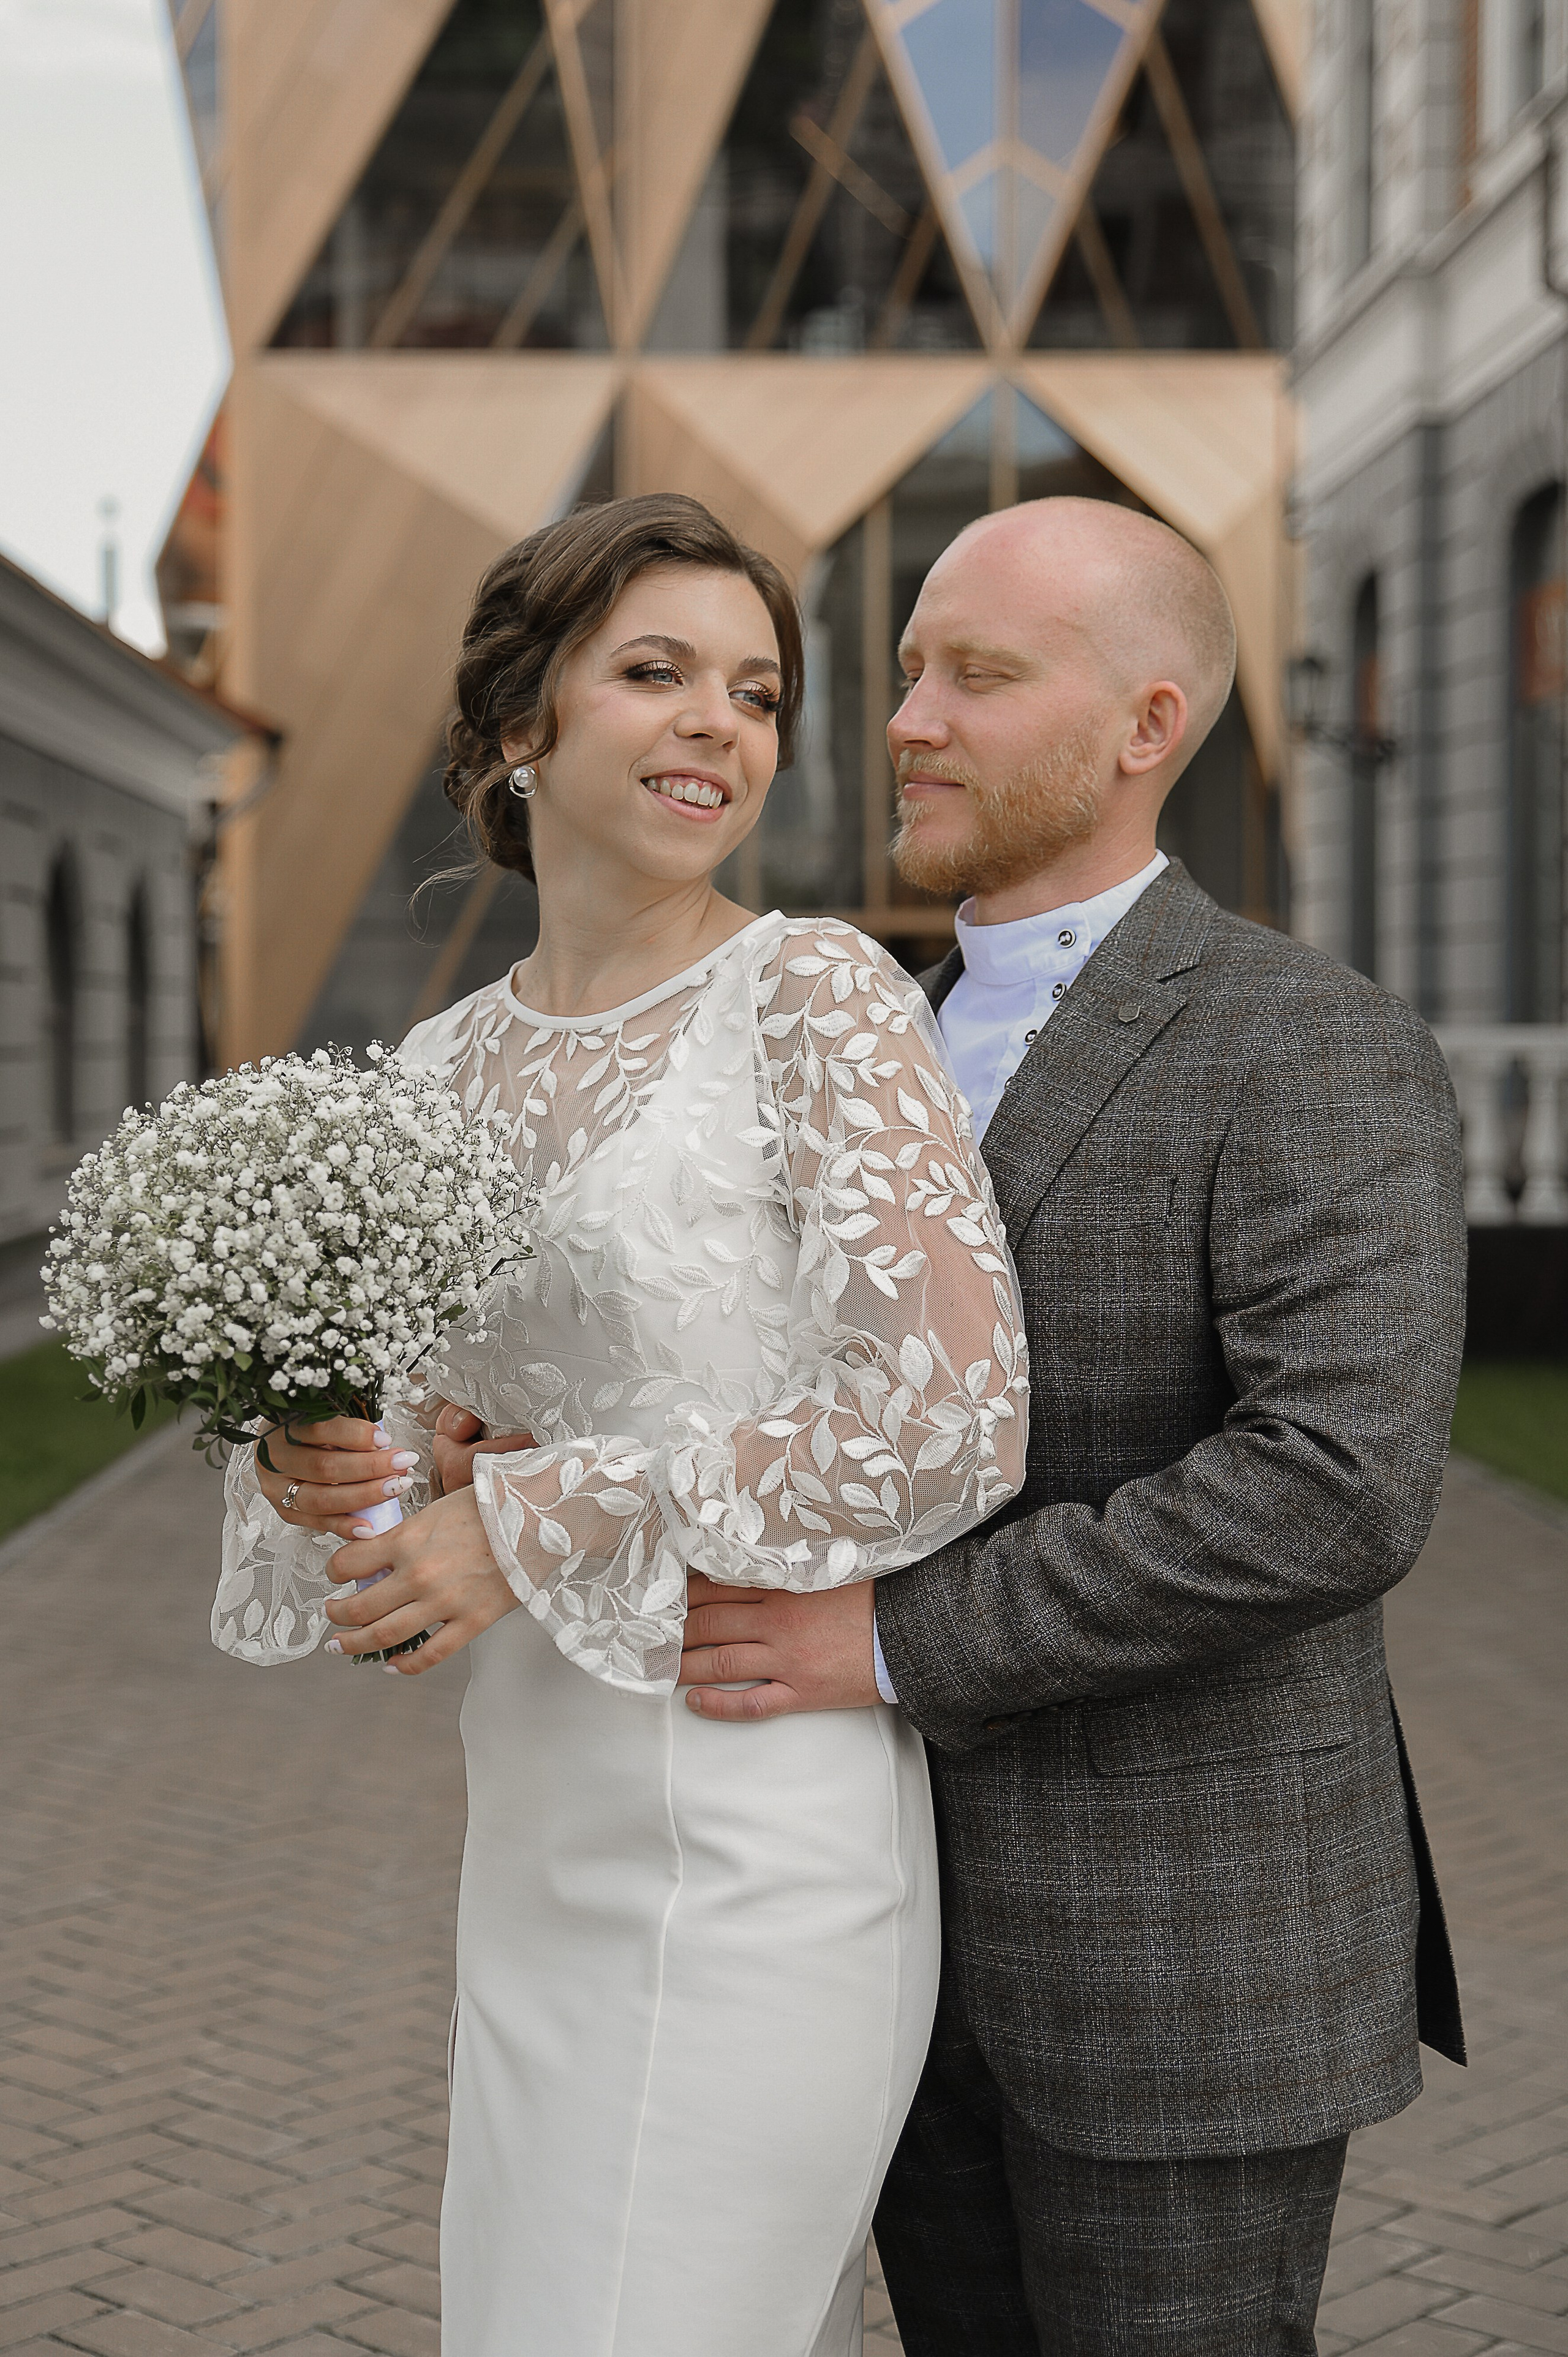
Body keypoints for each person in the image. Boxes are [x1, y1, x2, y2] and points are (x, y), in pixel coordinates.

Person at [211, 493, 1028, 2357]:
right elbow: (395, 1504)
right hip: (532, 1827)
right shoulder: (437, 1070)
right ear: (524, 724)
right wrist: (320, 1466)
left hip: (758, 1820)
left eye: (757, 693)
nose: (717, 725)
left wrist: (532, 1517)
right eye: (657, 673)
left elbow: (952, 1418)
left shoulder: (815, 996)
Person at [677, 496, 1469, 2355]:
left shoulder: (1307, 1040)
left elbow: (1335, 1487)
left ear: (1145, 725)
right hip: (869, 1938)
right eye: (905, 673)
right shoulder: (862, 1043)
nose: (907, 721)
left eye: (979, 674)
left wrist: (892, 1640)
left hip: (1184, 1962)